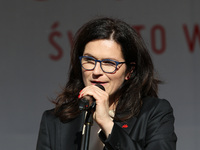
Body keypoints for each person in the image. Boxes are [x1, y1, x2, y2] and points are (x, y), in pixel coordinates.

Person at [36, 17, 177, 150]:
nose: (96, 71)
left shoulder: (154, 113)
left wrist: (108, 125)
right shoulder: (54, 121)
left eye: (109, 63)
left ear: (129, 71)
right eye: (89, 60)